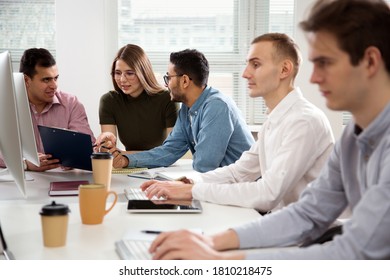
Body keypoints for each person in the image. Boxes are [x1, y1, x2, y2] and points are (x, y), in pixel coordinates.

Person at [147, 0, 390, 260]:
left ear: (370, 61)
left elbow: (357, 250)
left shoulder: (307, 121)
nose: (313, 77)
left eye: (325, 62)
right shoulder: (353, 137)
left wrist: (219, 258)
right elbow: (307, 213)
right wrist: (210, 242)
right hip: (303, 235)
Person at [140, 33, 335, 213]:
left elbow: (268, 193)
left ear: (284, 69)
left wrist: (192, 191)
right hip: (279, 223)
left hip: (307, 238)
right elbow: (239, 171)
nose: (245, 73)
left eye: (255, 64)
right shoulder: (275, 119)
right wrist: (188, 182)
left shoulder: (304, 121)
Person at [98, 49, 254, 173]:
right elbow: (169, 151)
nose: (166, 85)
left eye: (169, 78)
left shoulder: (217, 107)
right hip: (222, 183)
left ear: (185, 80)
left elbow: (205, 166)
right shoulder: (187, 109)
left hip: (245, 190)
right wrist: (126, 160)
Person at [0, 48, 95, 172]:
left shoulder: (71, 104)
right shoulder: (6, 105)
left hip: (63, 180)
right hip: (22, 182)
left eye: (56, 78)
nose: (54, 85)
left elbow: (87, 149)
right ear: (26, 80)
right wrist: (24, 163)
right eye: (46, 79)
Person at [96, 44, 179, 153]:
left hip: (160, 165)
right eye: (118, 73)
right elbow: (109, 151)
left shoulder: (167, 99)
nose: (122, 80)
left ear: (143, 72)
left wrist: (125, 155)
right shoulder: (109, 101)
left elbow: (171, 151)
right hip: (128, 164)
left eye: (129, 73)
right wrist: (105, 144)